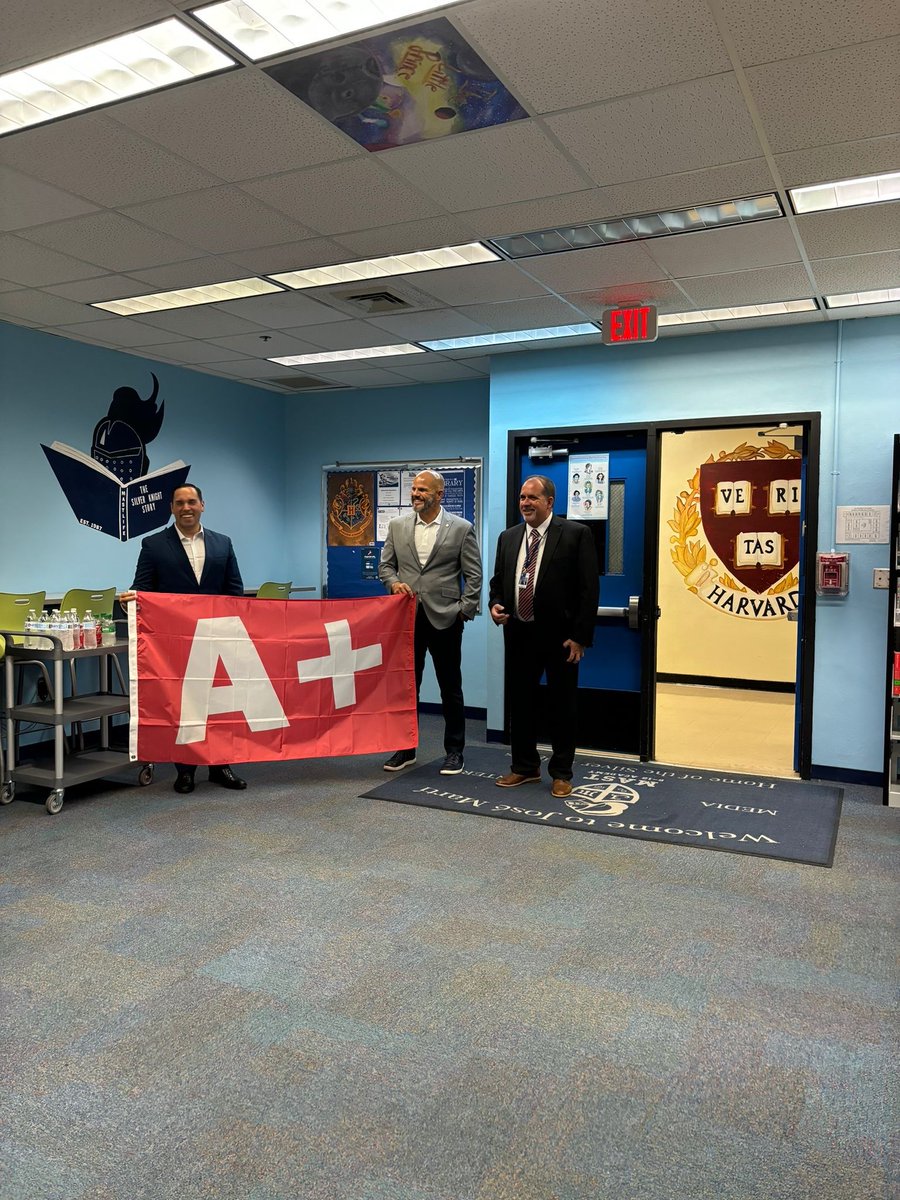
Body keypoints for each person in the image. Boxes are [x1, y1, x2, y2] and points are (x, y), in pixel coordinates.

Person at [123, 483, 248, 795]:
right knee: (185, 705)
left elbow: (234, 589)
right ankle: (186, 770)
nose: (186, 508)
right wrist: (132, 600)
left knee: (221, 704)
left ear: (202, 505)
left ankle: (221, 766)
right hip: (176, 640)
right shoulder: (154, 545)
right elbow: (143, 588)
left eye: (191, 501)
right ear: (172, 508)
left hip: (217, 637)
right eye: (179, 503)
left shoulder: (223, 543)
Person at [489, 475, 599, 798]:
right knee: (521, 703)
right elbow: (499, 581)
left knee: (562, 705)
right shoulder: (508, 537)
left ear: (549, 502)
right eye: (522, 497)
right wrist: (496, 604)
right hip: (520, 633)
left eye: (532, 498)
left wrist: (580, 636)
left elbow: (588, 589)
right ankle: (525, 766)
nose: (525, 503)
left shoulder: (576, 534)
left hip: (561, 638)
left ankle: (562, 772)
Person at [379, 469, 482, 775]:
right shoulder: (397, 526)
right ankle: (406, 748)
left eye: (423, 490)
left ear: (439, 494)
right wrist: (394, 583)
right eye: (414, 489)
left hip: (446, 618)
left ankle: (454, 752)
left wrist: (464, 610)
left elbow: (474, 574)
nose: (416, 494)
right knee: (407, 687)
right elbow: (386, 566)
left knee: (450, 688)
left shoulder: (461, 528)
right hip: (407, 618)